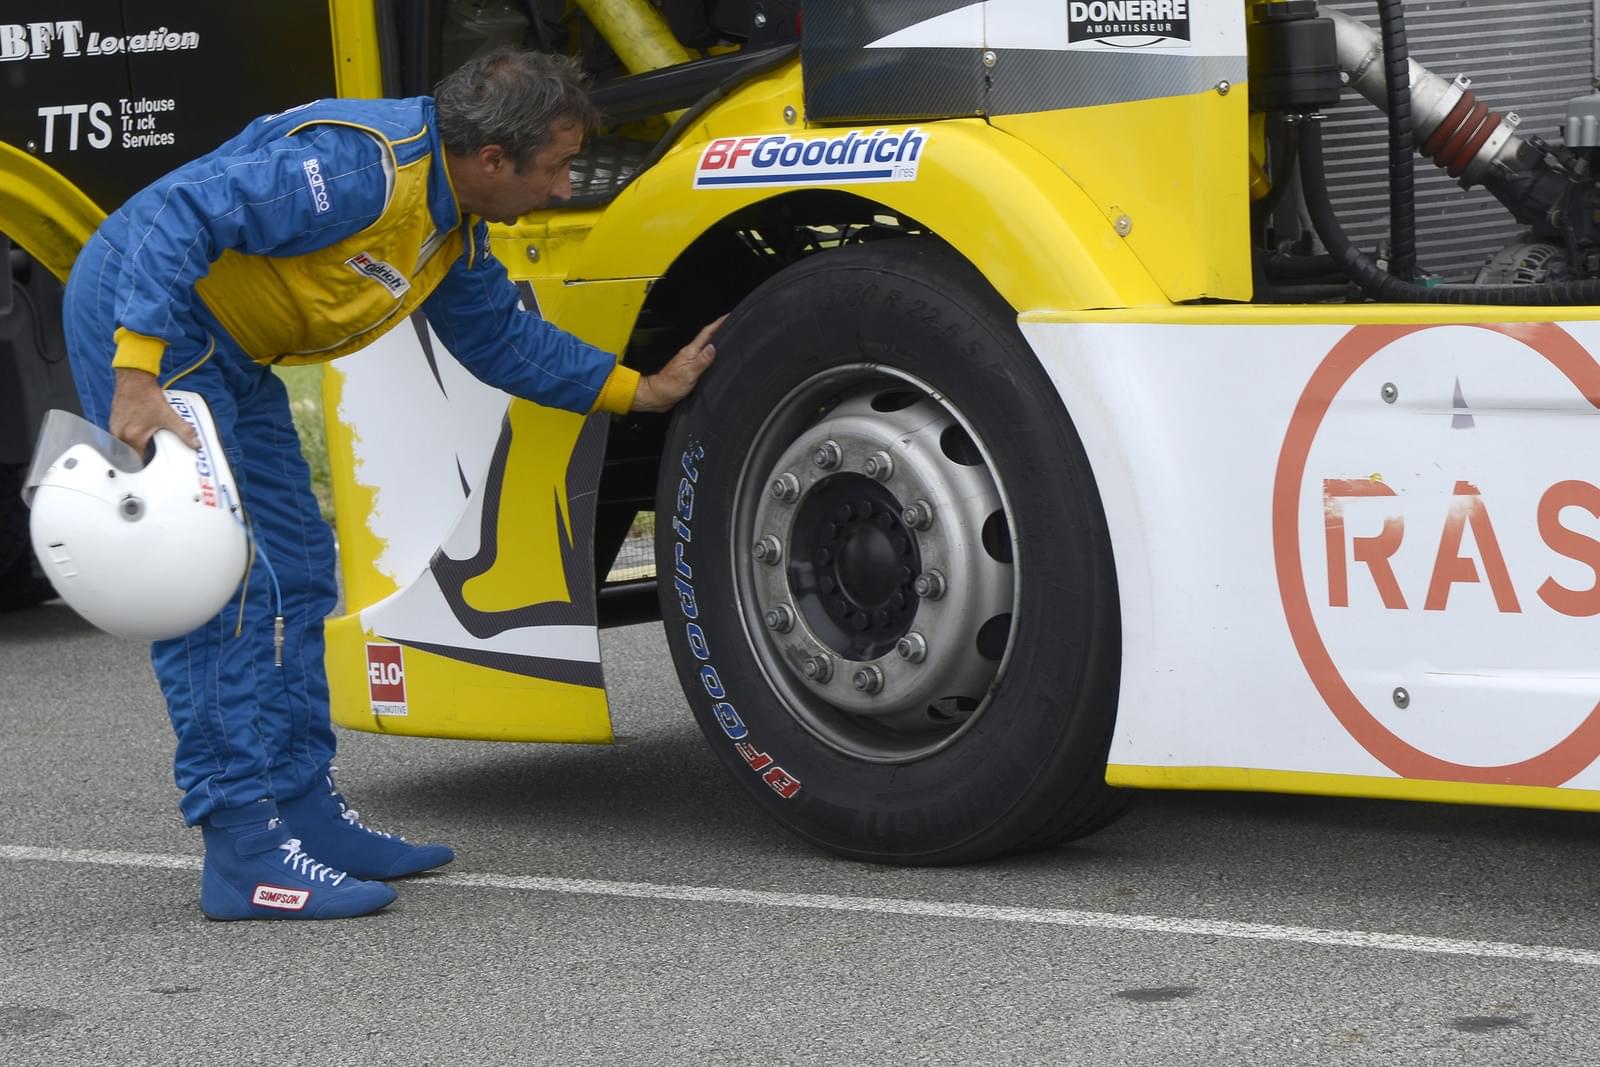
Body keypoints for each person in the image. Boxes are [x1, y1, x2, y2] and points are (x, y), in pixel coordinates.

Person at [59, 48, 723, 921]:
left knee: (300, 573)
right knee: (221, 587)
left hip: (229, 348)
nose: (565, 188)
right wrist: (136, 371)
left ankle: (304, 811)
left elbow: (503, 343)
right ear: (493, 161)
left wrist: (643, 390)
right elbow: (175, 215)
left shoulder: (451, 225)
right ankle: (242, 848)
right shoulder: (362, 171)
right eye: (558, 167)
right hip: (150, 321)